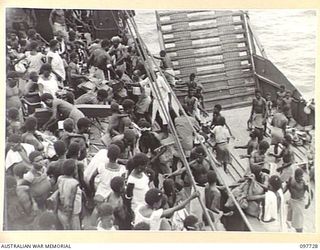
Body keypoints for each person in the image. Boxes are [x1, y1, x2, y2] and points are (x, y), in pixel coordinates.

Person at [134, 188, 198, 230]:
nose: (161, 203)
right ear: (155, 203)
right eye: (160, 201)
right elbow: (177, 208)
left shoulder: (139, 207)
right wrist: (191, 197)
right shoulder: (155, 215)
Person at [56, 159, 82, 230]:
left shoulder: (60, 178)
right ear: (74, 171)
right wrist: (69, 216)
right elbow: (71, 201)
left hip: (62, 207)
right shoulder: (74, 183)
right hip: (72, 212)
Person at [284, 168, 311, 232]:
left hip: (299, 202)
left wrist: (308, 203)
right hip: (292, 201)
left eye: (301, 176)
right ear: (295, 176)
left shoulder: (304, 183)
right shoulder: (291, 179)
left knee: (299, 224)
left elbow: (310, 193)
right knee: (290, 220)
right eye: (298, 177)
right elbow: (287, 187)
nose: (300, 178)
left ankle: (300, 234)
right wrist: (281, 194)